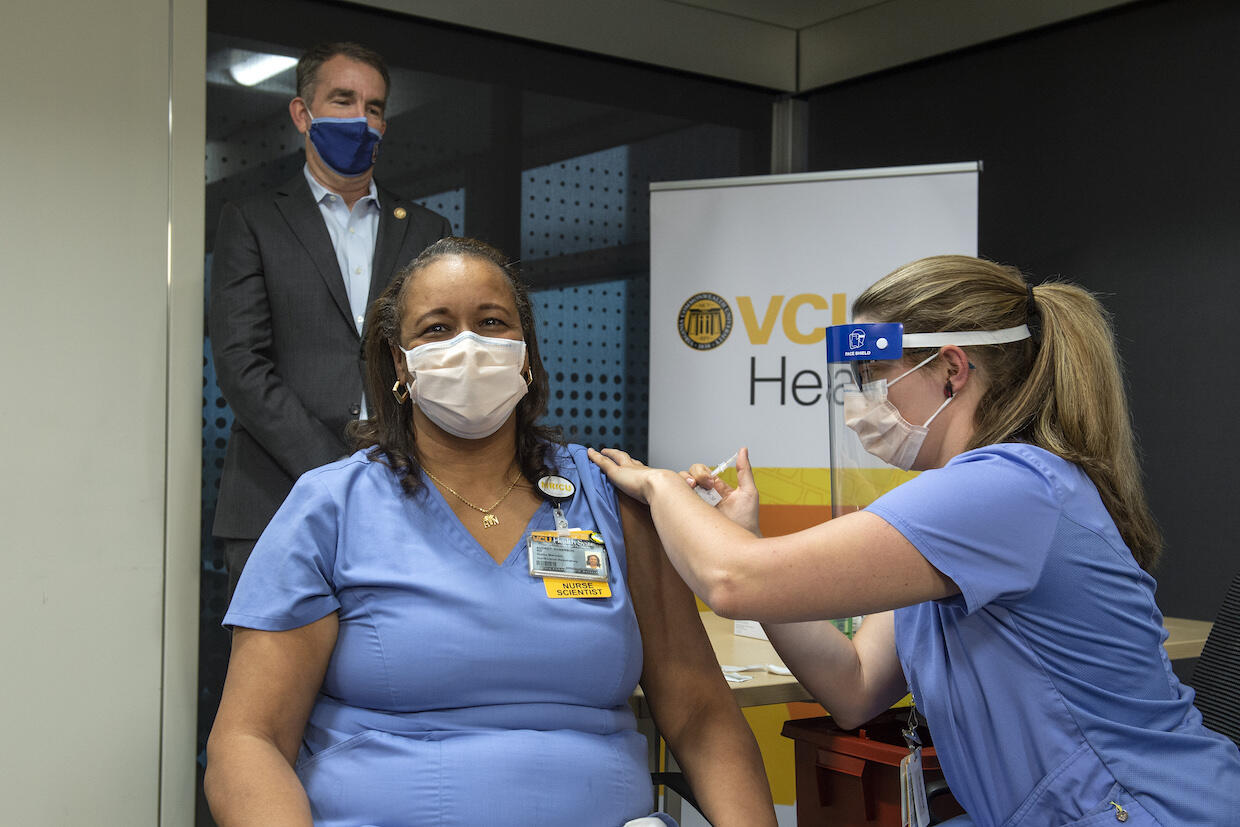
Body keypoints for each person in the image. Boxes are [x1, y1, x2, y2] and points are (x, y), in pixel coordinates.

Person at [589, 255, 1240, 826]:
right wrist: (746, 534)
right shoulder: (959, 508)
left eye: (872, 371)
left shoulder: (1002, 491)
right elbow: (853, 685)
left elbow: (733, 579)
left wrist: (660, 487)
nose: (857, 397)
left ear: (951, 370)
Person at [205, 237, 776, 826]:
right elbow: (248, 742)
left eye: (491, 322)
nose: (468, 346)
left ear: (525, 352)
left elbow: (702, 717)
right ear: (401, 363)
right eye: (436, 329)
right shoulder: (329, 508)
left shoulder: (611, 497)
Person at [210, 41, 451, 599]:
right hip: (278, 495)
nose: (360, 120)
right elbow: (241, 363)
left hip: (405, 497)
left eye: (373, 107)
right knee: (275, 683)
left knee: (390, 675)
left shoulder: (425, 230)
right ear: (302, 113)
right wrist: (336, 473)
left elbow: (438, 358)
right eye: (342, 100)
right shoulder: (252, 221)